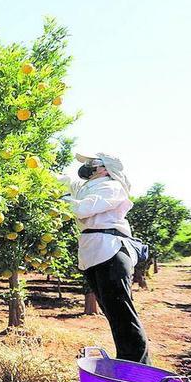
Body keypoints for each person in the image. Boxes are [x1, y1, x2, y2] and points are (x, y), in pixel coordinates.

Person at [59, 153, 150, 365]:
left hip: (110, 252)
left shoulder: (112, 186)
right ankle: (127, 365)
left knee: (122, 316)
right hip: (95, 252)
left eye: (92, 163)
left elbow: (81, 209)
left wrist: (63, 196)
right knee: (114, 315)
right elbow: (65, 181)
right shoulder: (88, 187)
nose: (86, 166)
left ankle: (137, 369)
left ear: (104, 169)